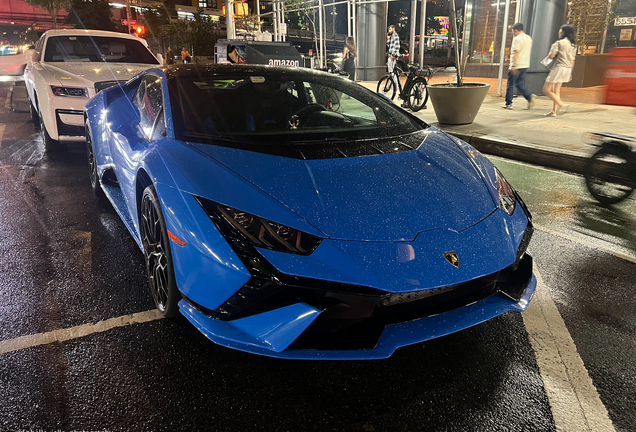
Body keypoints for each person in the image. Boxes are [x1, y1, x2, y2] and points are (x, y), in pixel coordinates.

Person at [543, 24, 577, 117]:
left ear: (563, 32)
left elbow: (551, 56)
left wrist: (551, 51)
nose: (558, 32)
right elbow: (573, 60)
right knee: (556, 90)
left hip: (558, 67)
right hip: (567, 68)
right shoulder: (573, 45)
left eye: (560, 30)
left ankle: (562, 105)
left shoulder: (558, 43)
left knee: (546, 89)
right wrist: (570, 72)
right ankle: (554, 111)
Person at [503, 23, 536, 110]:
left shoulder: (517, 39)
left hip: (517, 64)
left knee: (510, 84)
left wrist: (514, 65)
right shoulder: (528, 38)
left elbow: (516, 52)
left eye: (513, 31)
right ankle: (529, 97)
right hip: (525, 64)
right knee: (519, 83)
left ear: (516, 31)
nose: (512, 33)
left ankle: (508, 103)